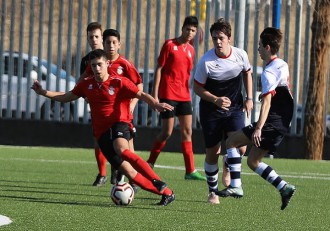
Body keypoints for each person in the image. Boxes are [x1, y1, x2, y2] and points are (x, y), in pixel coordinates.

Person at [32, 49, 176, 206]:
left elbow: (140, 94)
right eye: (93, 66)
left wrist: (155, 104)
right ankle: (167, 193)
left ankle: (156, 179)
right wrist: (43, 92)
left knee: (121, 149)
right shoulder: (87, 84)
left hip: (119, 123)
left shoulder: (118, 81)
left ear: (107, 64)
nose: (97, 69)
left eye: (100, 64)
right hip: (101, 133)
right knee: (130, 172)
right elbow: (67, 97)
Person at [216, 27, 296, 210]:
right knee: (253, 161)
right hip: (282, 124)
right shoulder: (282, 64)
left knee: (231, 142)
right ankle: (284, 188)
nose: (258, 49)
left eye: (259, 45)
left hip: (271, 123)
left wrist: (259, 127)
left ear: (267, 47)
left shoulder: (268, 73)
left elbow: (267, 103)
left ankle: (235, 186)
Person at [193, 18, 253, 204]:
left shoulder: (240, 55)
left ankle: (228, 165)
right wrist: (216, 100)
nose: (217, 42)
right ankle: (212, 191)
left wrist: (249, 98)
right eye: (214, 38)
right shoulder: (206, 62)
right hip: (211, 111)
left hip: (234, 108)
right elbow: (197, 88)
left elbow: (247, 73)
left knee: (241, 146)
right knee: (213, 152)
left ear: (229, 38)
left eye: (221, 38)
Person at [79, 29, 143, 186]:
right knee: (101, 142)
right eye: (108, 42)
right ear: (103, 43)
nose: (111, 45)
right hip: (103, 114)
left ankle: (132, 181)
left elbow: (138, 85)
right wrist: (87, 95)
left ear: (119, 44)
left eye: (114, 42)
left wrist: (132, 105)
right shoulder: (97, 63)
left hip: (122, 115)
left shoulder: (124, 64)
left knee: (128, 150)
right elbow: (82, 83)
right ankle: (105, 174)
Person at [146, 16, 206, 181]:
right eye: (187, 29)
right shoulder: (169, 45)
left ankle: (190, 171)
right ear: (182, 28)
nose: (190, 33)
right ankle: (149, 163)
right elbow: (159, 69)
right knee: (167, 132)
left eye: (193, 30)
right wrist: (155, 95)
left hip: (184, 96)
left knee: (188, 131)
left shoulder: (192, 50)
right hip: (168, 95)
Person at [79, 22, 108, 187]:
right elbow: (81, 85)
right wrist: (88, 97)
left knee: (119, 142)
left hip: (114, 107)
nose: (94, 40)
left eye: (97, 36)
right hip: (96, 108)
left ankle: (119, 174)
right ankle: (102, 173)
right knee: (98, 140)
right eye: (91, 37)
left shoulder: (109, 57)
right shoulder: (86, 61)